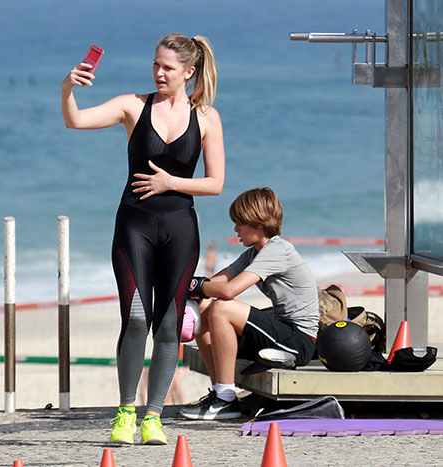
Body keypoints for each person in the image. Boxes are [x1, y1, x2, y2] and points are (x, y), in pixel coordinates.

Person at [61, 33, 225, 445]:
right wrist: (67, 88)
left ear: (188, 71)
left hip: (180, 229)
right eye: (155, 64)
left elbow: (217, 183)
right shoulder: (133, 105)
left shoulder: (206, 117)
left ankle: (153, 418)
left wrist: (172, 181)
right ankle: (124, 413)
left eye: (168, 67)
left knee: (168, 325)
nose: (158, 73)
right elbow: (75, 120)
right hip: (134, 225)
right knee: (135, 319)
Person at [181, 187, 319, 420]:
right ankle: (220, 394)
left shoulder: (278, 250)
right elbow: (215, 282)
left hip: (299, 341)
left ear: (258, 223)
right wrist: (183, 286)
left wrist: (193, 286)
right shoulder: (255, 253)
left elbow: (228, 290)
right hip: (280, 332)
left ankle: (225, 399)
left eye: (239, 223)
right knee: (205, 308)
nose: (235, 229)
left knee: (222, 307)